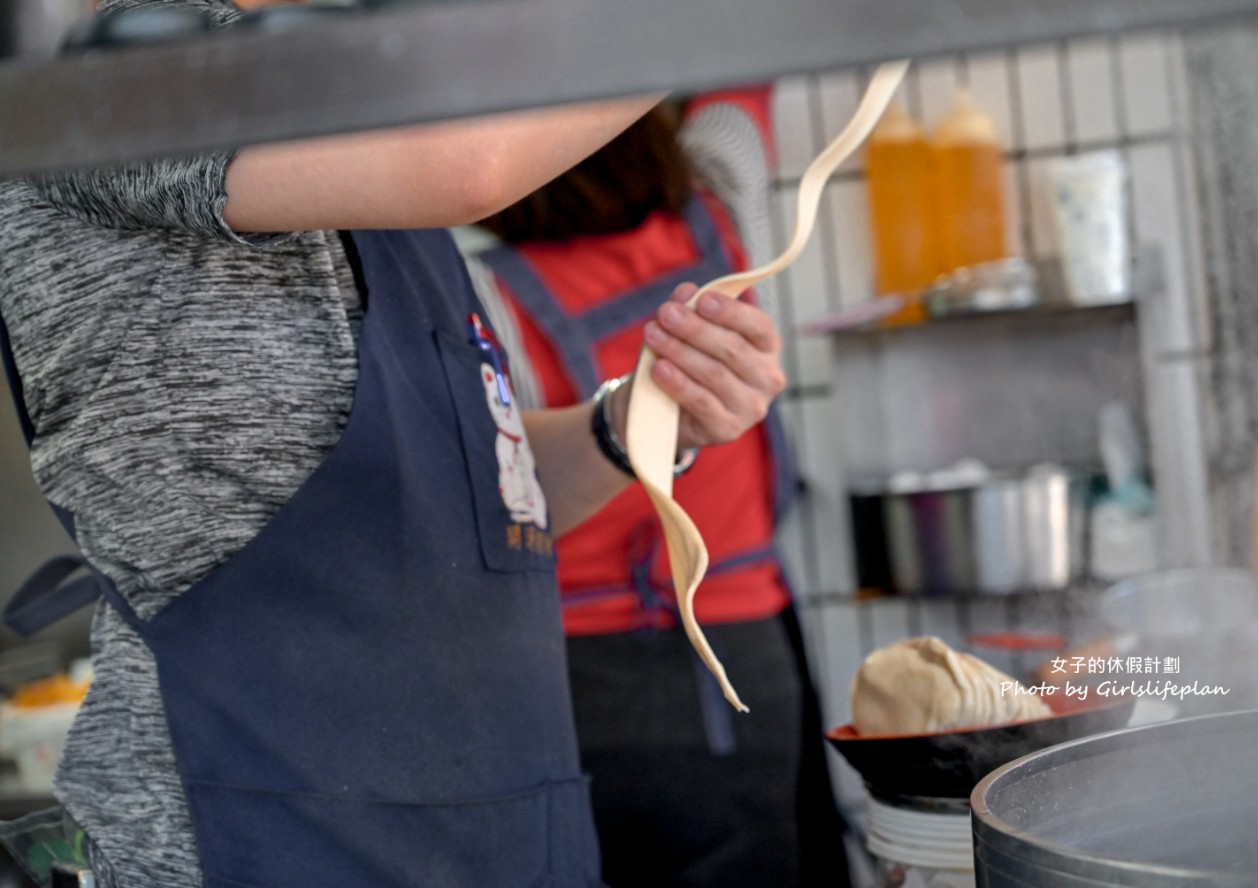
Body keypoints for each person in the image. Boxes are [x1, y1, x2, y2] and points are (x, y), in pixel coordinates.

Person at [0, 0, 788, 884]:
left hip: (509, 830)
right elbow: (473, 163)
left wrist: (634, 423)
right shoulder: (109, 80)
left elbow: (471, 498)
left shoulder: (344, 118)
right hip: (261, 838)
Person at [460, 89, 852, 888]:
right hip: (739, 658)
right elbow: (739, 80)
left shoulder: (477, 296)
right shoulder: (724, 205)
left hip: (561, 684)